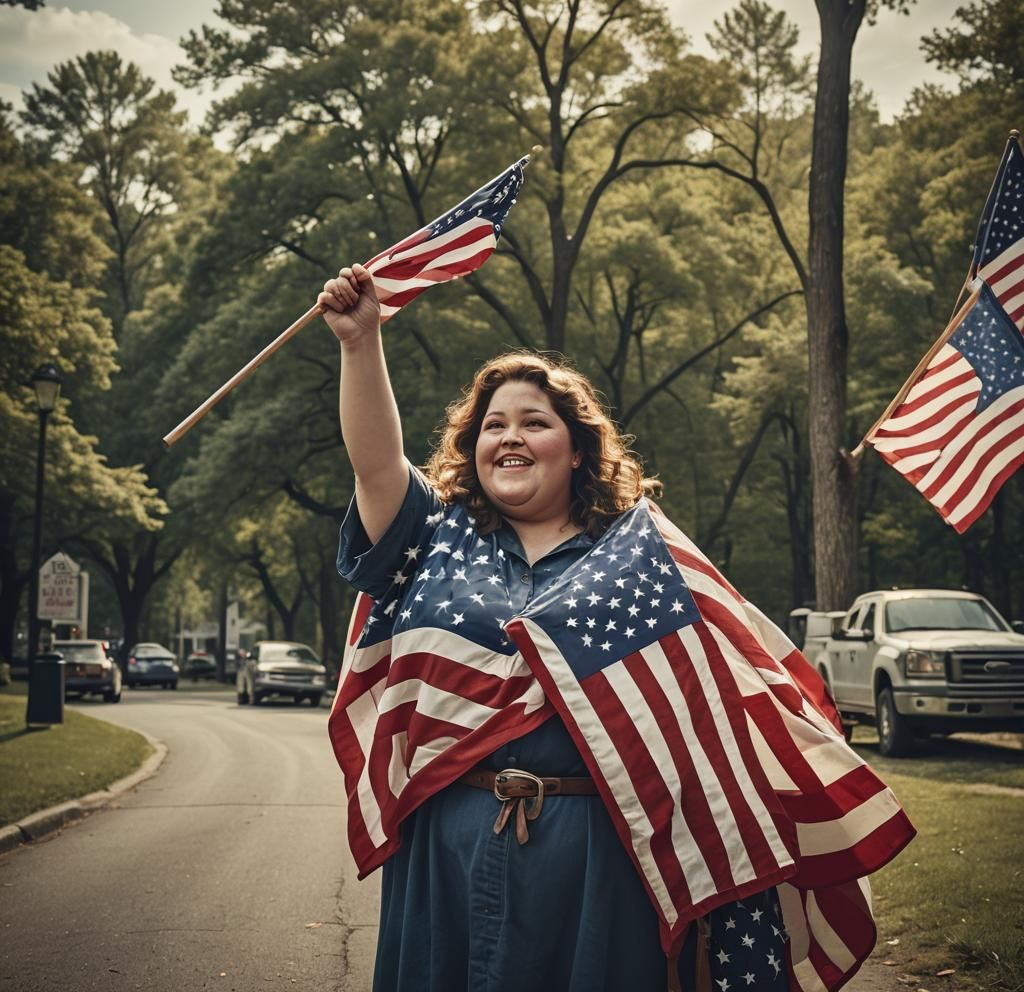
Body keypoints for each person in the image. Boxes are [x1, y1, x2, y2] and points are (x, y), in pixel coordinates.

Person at [319, 265, 914, 992]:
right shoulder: (433, 531)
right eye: (492, 426)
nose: (510, 437)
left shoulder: (642, 552)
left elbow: (723, 688)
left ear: (576, 449)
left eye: (535, 423)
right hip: (448, 852)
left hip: (604, 860)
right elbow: (376, 464)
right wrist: (359, 343)